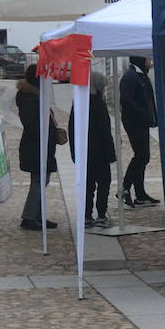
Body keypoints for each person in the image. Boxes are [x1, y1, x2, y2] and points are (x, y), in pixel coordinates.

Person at [70, 71, 117, 227]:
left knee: (87, 185)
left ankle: (87, 215)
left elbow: (72, 129)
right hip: (100, 153)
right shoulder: (98, 103)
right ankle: (101, 214)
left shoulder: (78, 102)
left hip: (84, 151)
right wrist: (111, 153)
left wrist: (74, 151)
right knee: (104, 183)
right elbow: (104, 131)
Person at [17, 65, 60, 232]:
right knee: (39, 181)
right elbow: (30, 123)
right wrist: (43, 134)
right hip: (36, 145)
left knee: (42, 180)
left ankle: (37, 215)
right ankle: (29, 217)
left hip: (41, 144)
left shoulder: (36, 94)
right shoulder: (28, 96)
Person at [119, 55, 159, 208]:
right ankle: (124, 189)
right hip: (134, 122)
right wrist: (142, 113)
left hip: (142, 122)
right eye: (148, 59)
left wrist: (152, 116)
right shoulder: (130, 77)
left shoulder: (141, 75)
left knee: (143, 156)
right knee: (142, 156)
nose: (150, 61)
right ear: (140, 60)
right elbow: (126, 100)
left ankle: (140, 194)